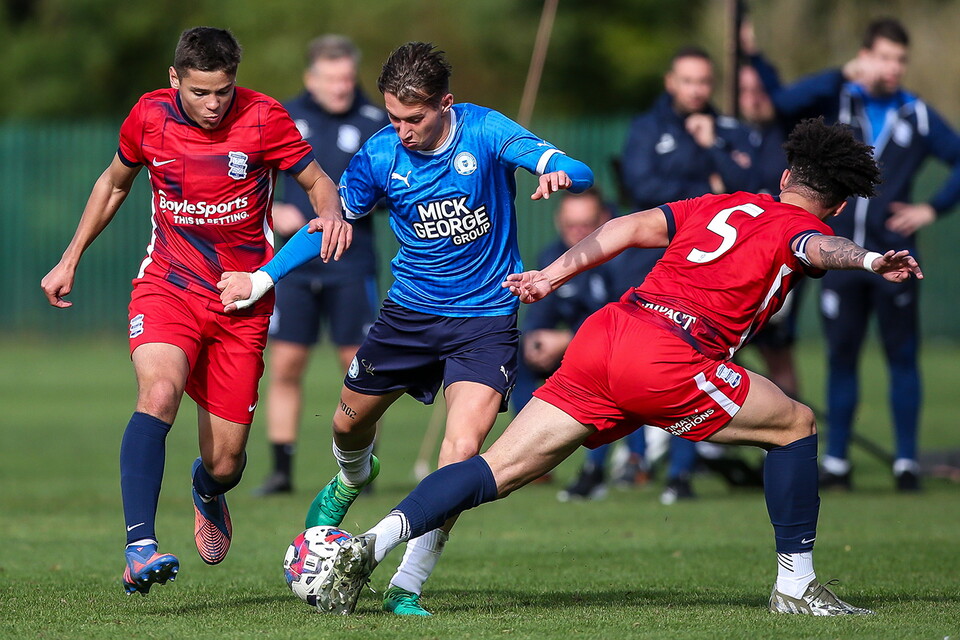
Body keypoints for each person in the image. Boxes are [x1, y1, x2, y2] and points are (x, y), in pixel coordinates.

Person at [312, 118, 923, 617]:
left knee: (495, 468)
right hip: (668, 355)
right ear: (837, 205)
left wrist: (553, 275)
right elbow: (817, 246)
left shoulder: (724, 203)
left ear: (785, 176)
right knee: (794, 424)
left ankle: (369, 543)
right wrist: (870, 260)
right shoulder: (803, 225)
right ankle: (796, 586)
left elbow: (626, 226)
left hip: (605, 336)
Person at [217, 41, 593, 616]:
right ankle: (351, 477)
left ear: (445, 103)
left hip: (485, 320)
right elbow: (327, 225)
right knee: (347, 424)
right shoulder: (379, 154)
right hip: (408, 317)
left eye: (413, 118)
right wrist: (262, 278)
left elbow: (577, 170)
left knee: (461, 454)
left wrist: (561, 174)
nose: (403, 130)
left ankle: (407, 584)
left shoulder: (487, 131)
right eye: (394, 117)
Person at [39, 27, 348, 596]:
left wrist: (328, 213)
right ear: (174, 79)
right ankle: (139, 548)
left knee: (226, 463)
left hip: (241, 300)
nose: (212, 104)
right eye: (200, 92)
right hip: (169, 285)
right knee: (158, 394)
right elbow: (114, 184)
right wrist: (70, 257)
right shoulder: (148, 116)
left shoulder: (264, 118)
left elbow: (318, 181)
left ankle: (206, 490)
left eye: (223, 92)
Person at [755, 17, 960, 491]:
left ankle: (906, 462)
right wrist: (840, 74)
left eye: (900, 59)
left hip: (895, 258)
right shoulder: (838, 101)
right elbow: (781, 105)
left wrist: (931, 208)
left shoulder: (917, 114)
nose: (893, 67)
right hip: (840, 256)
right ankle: (838, 462)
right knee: (841, 355)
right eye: (884, 57)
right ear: (865, 56)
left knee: (902, 355)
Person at [619, 45, 760, 503]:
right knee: (632, 362)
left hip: (708, 273)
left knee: (696, 366)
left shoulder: (728, 131)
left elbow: (752, 193)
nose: (697, 90)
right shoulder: (646, 128)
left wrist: (712, 147)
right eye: (688, 80)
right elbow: (640, 187)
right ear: (670, 82)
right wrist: (705, 189)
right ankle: (635, 459)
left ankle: (681, 472)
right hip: (649, 268)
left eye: (704, 82)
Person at [254, 35, 389, 497]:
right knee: (287, 363)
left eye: (346, 78)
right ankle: (281, 471)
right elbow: (251, 181)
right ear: (311, 78)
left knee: (360, 367)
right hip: (294, 265)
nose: (340, 86)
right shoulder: (285, 117)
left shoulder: (376, 121)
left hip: (352, 264)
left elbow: (394, 188)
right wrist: (273, 213)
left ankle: (360, 469)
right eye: (331, 78)